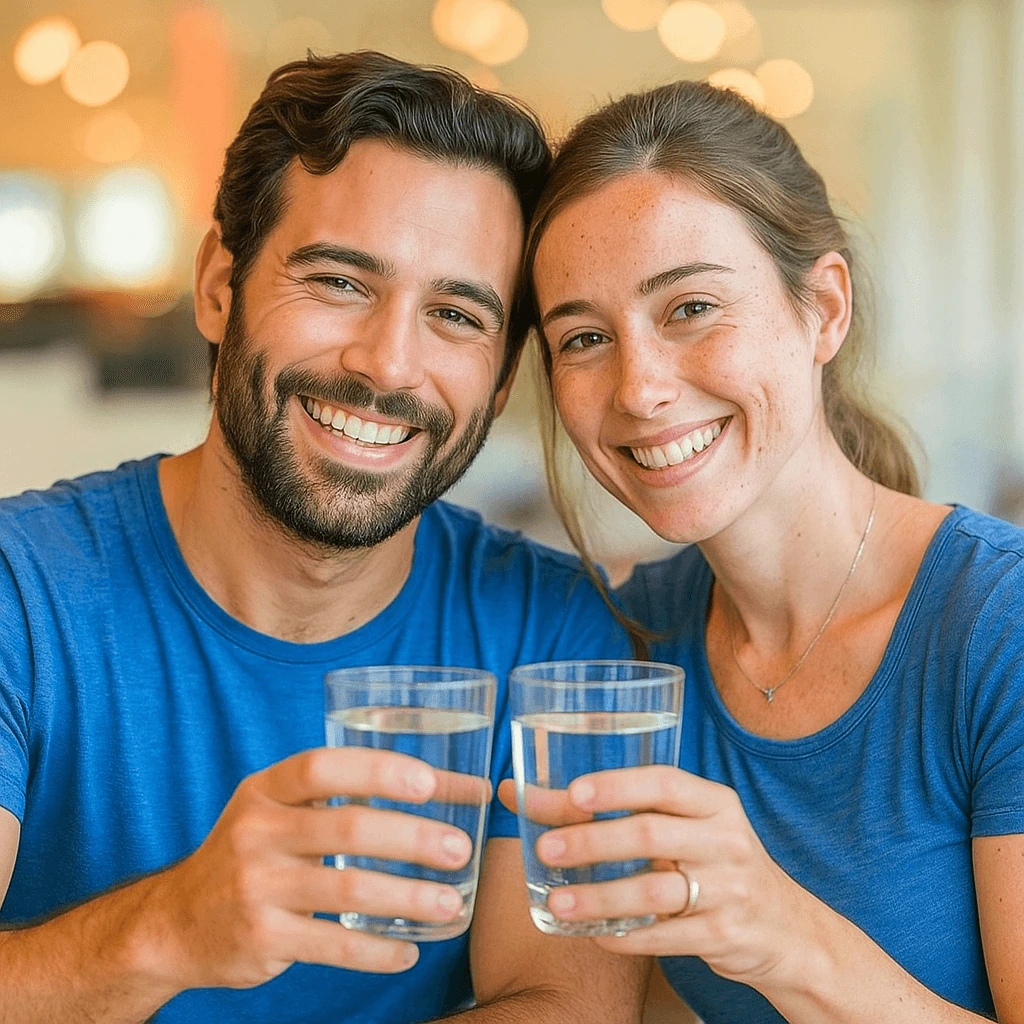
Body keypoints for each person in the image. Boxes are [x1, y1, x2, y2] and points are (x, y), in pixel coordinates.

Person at [0, 52, 647, 1023]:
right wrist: (169, 929)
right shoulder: (22, 593)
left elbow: (563, 1003)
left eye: (455, 315)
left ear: (504, 376)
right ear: (220, 285)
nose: (388, 364)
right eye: (341, 281)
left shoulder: (553, 641)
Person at [517, 79, 1024, 1023]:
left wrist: (783, 936)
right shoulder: (626, 648)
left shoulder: (1001, 626)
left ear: (824, 309)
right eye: (583, 338)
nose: (639, 389)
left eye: (691, 308)